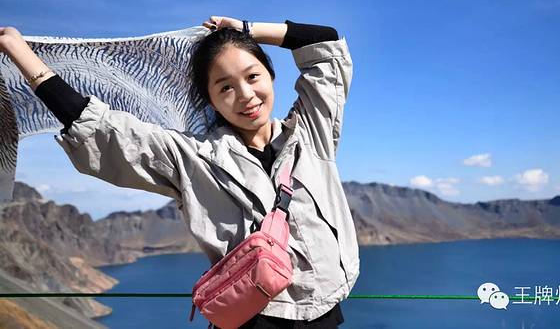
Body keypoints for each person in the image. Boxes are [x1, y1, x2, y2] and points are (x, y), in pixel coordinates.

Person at [0, 17, 360, 328]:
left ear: (271, 75)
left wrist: (245, 29)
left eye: (253, 76)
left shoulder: (310, 133)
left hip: (325, 313)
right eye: (225, 87)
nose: (245, 94)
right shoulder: (192, 157)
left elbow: (324, 45)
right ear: (210, 99)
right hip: (255, 320)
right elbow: (102, 128)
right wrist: (20, 53)